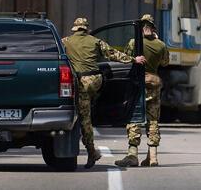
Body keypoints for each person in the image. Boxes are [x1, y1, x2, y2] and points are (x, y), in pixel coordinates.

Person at [61, 17, 146, 169]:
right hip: (96, 80)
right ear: (86, 29)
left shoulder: (65, 41)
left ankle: (91, 151)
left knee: (84, 118)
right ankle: (100, 108)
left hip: (81, 82)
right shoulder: (95, 41)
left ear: (74, 29)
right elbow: (113, 54)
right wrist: (134, 59)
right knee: (97, 96)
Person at [115, 14, 170, 168]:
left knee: (134, 117)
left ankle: (132, 155)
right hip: (153, 84)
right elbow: (165, 62)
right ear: (153, 28)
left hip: (137, 84)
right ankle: (153, 157)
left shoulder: (134, 42)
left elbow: (126, 57)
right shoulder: (161, 45)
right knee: (153, 119)